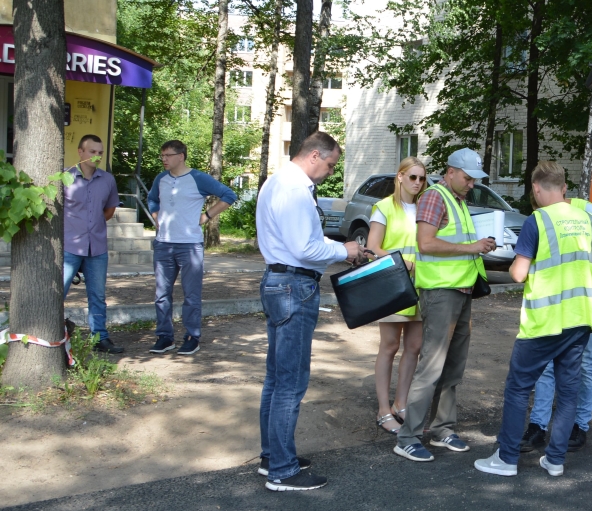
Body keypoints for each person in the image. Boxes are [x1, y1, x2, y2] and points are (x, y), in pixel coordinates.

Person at [475, 160, 592, 478]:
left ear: (536, 188)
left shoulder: (538, 220)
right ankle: (555, 460)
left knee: (519, 387)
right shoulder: (587, 220)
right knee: (568, 389)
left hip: (546, 320)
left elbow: (518, 273)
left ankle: (506, 458)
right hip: (581, 317)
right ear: (563, 187)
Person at [256, 131, 361, 491]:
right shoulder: (295, 189)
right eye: (331, 164)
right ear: (314, 155)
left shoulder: (277, 182)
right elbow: (304, 248)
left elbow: (300, 241)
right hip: (293, 286)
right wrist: (343, 251)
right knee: (291, 381)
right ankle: (282, 471)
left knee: (276, 377)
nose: (331, 172)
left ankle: (273, 456)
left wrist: (335, 247)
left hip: (277, 281)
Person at [392, 148, 496, 463]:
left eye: (475, 179)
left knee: (453, 366)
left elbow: (457, 245)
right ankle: (408, 436)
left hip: (460, 290)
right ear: (450, 172)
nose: (472, 184)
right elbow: (426, 243)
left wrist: (479, 247)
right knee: (433, 366)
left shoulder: (458, 200)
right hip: (441, 292)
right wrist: (472, 247)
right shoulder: (436, 197)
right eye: (467, 178)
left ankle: (442, 428)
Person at [520, 194, 592, 453]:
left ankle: (580, 424)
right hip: (556, 299)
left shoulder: (587, 210)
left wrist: (586, 255)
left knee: (586, 362)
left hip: (587, 298)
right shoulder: (541, 217)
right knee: (546, 365)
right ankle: (538, 426)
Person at [146, 140, 238, 355]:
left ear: (181, 156)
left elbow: (229, 195)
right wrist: (156, 215)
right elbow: (152, 199)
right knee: (161, 294)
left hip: (189, 245)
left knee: (191, 295)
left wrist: (206, 216)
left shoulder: (198, 178)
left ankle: (191, 336)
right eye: (162, 155)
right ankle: (164, 337)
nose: (164, 159)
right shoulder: (161, 179)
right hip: (163, 244)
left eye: (168, 155)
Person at [366, 156, 426, 436]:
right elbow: (372, 247)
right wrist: (402, 261)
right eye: (412, 177)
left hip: (423, 283)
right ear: (400, 177)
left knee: (414, 347)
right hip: (394, 281)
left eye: (422, 178)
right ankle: (382, 410)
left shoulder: (426, 206)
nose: (418, 182)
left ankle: (401, 404)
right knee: (389, 346)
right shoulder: (384, 207)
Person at [62, 134, 123, 354]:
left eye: (100, 152)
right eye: (91, 151)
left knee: (97, 295)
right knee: (59, 291)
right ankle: (54, 335)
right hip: (70, 245)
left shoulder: (107, 179)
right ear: (80, 152)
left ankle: (100, 339)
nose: (96, 156)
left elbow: (109, 209)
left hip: (96, 246)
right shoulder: (65, 177)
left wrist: (92, 225)